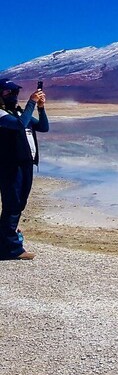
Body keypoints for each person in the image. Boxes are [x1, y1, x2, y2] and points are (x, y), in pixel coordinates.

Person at [0, 79, 48, 260]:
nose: (13, 95)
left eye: (14, 92)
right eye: (7, 92)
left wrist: (41, 108)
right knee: (12, 204)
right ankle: (12, 249)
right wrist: (32, 102)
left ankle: (5, 239)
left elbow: (43, 127)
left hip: (26, 165)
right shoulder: (2, 115)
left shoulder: (20, 113)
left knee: (19, 204)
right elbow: (19, 125)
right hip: (10, 166)